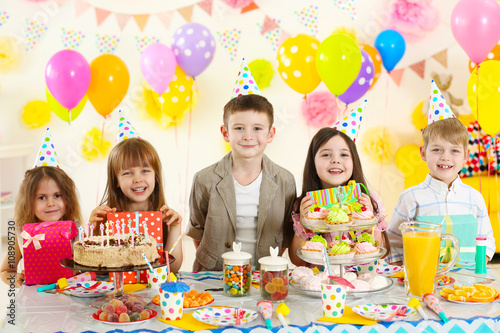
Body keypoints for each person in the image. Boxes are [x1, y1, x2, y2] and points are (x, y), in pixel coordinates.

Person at [187, 86, 296, 270]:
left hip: (263, 277)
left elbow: (286, 234)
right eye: (239, 128)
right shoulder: (204, 179)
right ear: (225, 133)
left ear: (270, 134)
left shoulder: (285, 181)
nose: (248, 136)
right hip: (214, 277)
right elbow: (198, 232)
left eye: (257, 128)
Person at [387, 117, 495, 263]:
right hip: (423, 278)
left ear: (465, 156)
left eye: (454, 151)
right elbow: (394, 244)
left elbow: (486, 240)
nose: (445, 157)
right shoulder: (410, 197)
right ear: (423, 153)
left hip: (465, 279)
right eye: (437, 150)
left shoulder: (474, 197)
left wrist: (477, 266)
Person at [289, 127, 389, 266]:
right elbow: (298, 261)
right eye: (326, 155)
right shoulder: (306, 204)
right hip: (321, 282)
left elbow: (382, 252)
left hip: (359, 280)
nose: (335, 160)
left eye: (344, 155)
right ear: (313, 163)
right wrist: (303, 223)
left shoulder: (367, 200)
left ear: (354, 162)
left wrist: (368, 220)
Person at [89, 137, 183, 272]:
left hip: (154, 290)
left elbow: (171, 269)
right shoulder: (108, 217)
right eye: (128, 173)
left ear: (155, 176)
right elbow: (96, 269)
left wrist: (175, 227)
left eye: (145, 170)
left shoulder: (164, 216)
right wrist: (94, 231)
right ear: (116, 180)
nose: (138, 179)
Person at [0, 166, 82, 287]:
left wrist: (79, 272)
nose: (51, 203)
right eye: (41, 197)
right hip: (34, 301)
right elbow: (5, 272)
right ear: (28, 202)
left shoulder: (75, 231)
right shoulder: (22, 234)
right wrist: (17, 279)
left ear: (68, 198)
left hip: (70, 297)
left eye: (57, 195)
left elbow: (89, 269)